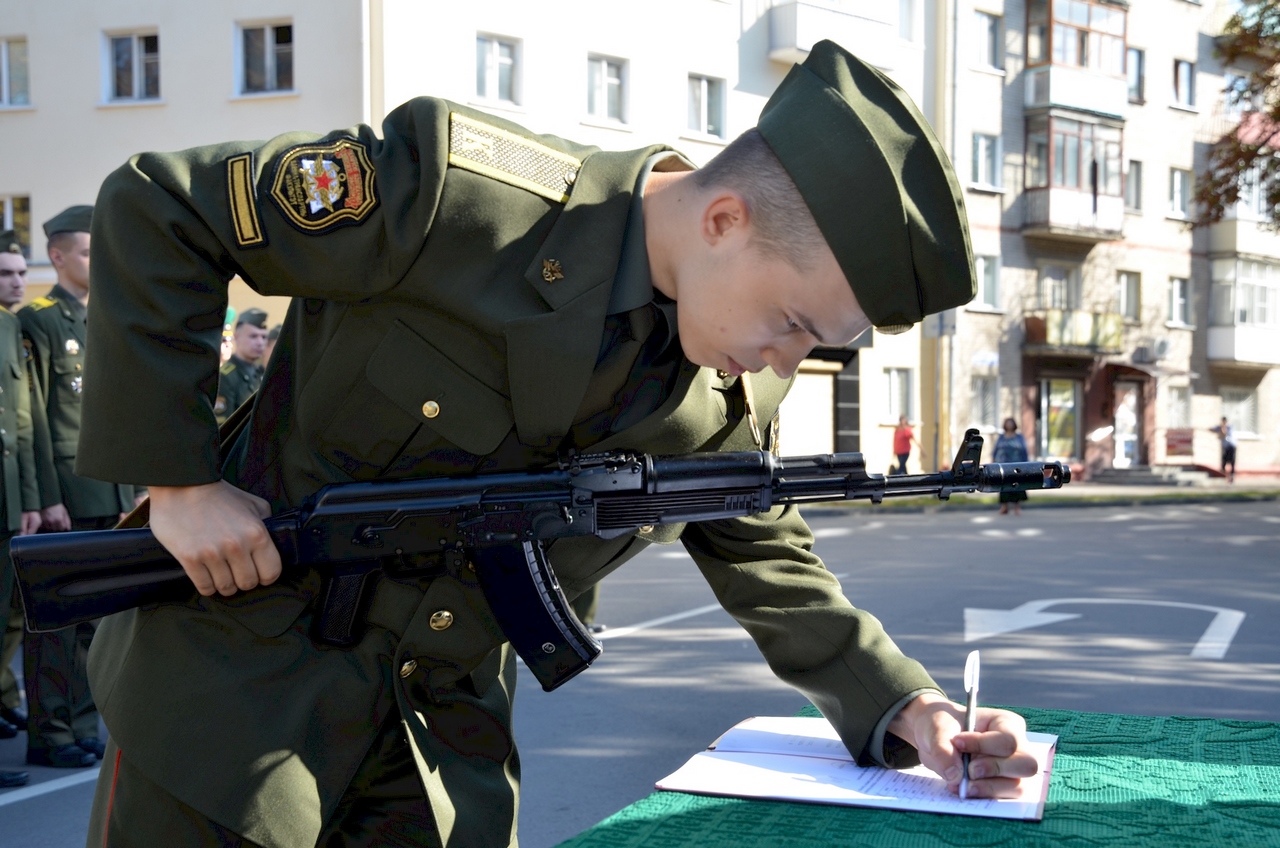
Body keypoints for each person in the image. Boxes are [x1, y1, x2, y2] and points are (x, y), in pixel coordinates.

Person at [77, 41, 1038, 846]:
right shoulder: (460, 201)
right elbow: (161, 207)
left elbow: (758, 541)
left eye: (815, 341)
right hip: (230, 691)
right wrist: (179, 482)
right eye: (791, 321)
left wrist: (906, 707)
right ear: (723, 219)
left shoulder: (734, 364)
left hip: (436, 737)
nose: (785, 358)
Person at [18, 205, 138, 768]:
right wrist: (45, 497)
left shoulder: (104, 318)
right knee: (55, 625)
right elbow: (32, 419)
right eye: (88, 251)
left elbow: (122, 412)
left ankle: (85, 725)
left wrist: (137, 486)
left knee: (94, 619)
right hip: (66, 493)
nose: (98, 262)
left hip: (109, 491)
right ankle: (52, 734)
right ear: (58, 256)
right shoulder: (37, 321)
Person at [0, 232, 42, 788]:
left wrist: (30, 501)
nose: (16, 281)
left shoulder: (11, 327)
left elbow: (22, 422)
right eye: (5, 272)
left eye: (17, 271)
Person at [214, 307, 269, 423]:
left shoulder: (261, 373)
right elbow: (224, 426)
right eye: (253, 336)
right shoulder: (225, 377)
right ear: (237, 337)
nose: (260, 343)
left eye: (263, 337)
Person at [992, 418, 1029, 515]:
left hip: (1017, 465)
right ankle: (1004, 507)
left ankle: (1017, 507)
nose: (1009, 425)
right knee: (1004, 486)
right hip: (1003, 465)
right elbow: (996, 450)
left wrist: (1026, 464)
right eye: (1007, 423)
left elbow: (1024, 450)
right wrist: (994, 460)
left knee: (1017, 485)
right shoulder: (1001, 437)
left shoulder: (1019, 437)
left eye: (1011, 423)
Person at [1210, 416, 1236, 483]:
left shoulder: (1229, 427)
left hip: (1231, 446)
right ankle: (1225, 476)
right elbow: (1213, 430)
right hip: (1225, 447)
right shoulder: (1220, 427)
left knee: (1231, 462)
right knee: (1224, 461)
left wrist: (1221, 427)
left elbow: (1224, 432)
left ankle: (1231, 476)